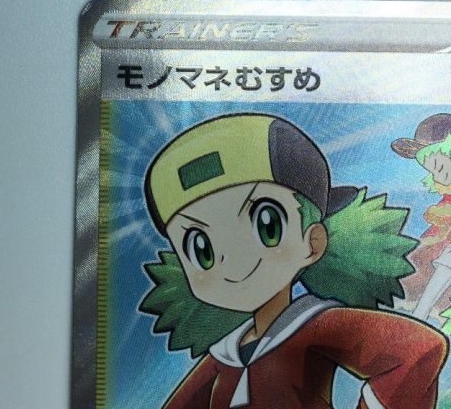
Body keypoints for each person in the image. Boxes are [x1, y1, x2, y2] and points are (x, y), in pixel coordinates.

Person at [140, 113, 447, 409]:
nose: (231, 259)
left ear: (313, 242)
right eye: (202, 250)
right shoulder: (225, 353)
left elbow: (419, 350)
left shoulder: (315, 325)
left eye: (267, 226)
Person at [391, 114, 451, 324]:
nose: (436, 174)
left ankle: (419, 316)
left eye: (439, 165)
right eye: (431, 169)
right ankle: (418, 316)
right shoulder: (446, 200)